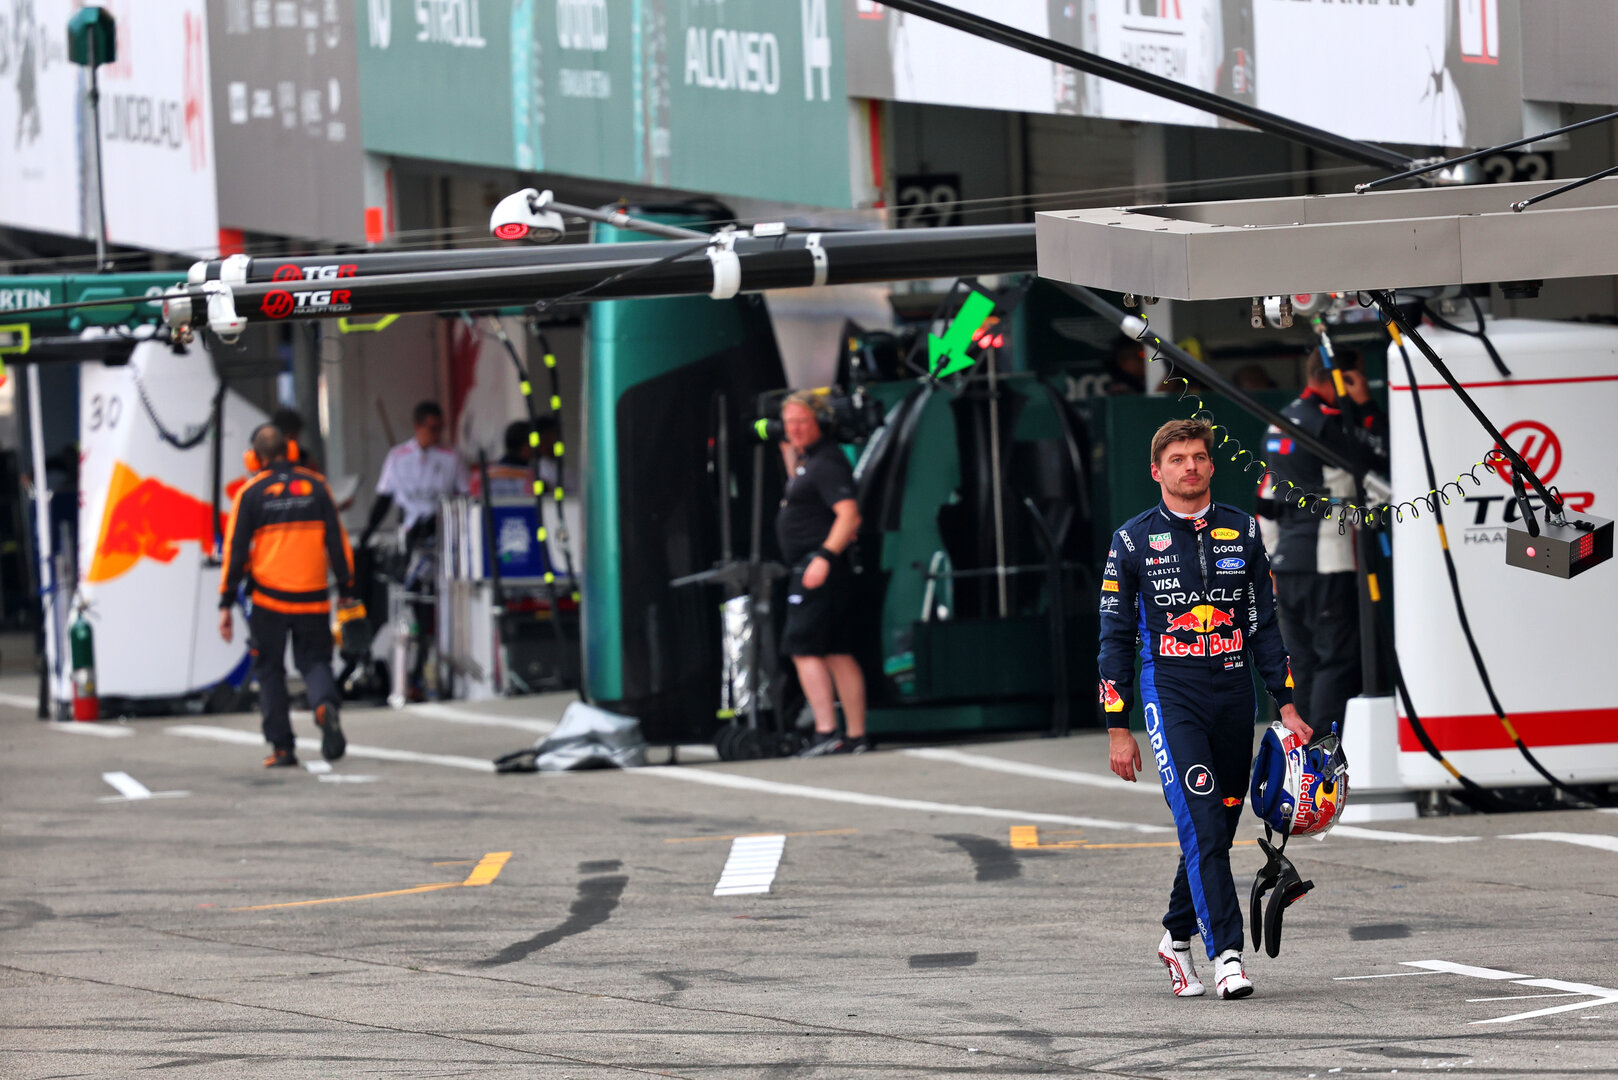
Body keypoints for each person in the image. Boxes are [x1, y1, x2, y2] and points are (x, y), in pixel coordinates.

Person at [1098, 418, 1311, 1000]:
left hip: (1233, 694)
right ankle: (1227, 955)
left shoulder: (1243, 530)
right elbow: (1114, 638)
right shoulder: (1132, 540)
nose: (1189, 466)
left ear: (1211, 466)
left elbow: (1266, 624)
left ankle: (1174, 936)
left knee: (1215, 827)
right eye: (1177, 459)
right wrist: (1119, 727)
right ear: (1156, 471)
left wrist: (1285, 705)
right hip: (1171, 692)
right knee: (1200, 822)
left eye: (1198, 457)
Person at [1255, 350, 1388, 734]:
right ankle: (1321, 754)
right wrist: (1366, 407)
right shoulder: (1329, 423)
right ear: (1345, 378)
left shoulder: (1278, 424)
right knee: (1337, 660)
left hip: (1286, 561)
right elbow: (1384, 459)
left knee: (1302, 661)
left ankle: (1299, 759)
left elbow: (1265, 498)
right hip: (1328, 560)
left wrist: (1269, 559)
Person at [218, 424, 355, 768]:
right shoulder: (317, 486)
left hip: (268, 599)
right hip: (313, 595)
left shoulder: (249, 494)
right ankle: (324, 705)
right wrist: (347, 589)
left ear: (254, 457)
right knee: (315, 661)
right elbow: (338, 543)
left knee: (269, 670)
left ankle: (283, 748)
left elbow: (235, 553)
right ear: (290, 450)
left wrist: (224, 601)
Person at [775, 391, 868, 756]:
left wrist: (824, 556)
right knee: (835, 650)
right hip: (819, 565)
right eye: (789, 423)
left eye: (802, 422)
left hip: (817, 565)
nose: (794, 429)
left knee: (802, 647)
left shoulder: (827, 463)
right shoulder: (810, 463)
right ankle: (855, 735)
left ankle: (827, 729)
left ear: (821, 424)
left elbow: (849, 515)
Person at [360, 401, 468, 699]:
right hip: (410, 539)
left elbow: (465, 497)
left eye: (439, 428)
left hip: (443, 540)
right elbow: (383, 498)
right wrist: (368, 534)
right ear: (418, 426)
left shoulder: (451, 457)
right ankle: (409, 675)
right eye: (431, 428)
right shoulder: (397, 457)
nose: (436, 434)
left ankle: (429, 669)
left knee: (436, 604)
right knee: (410, 603)